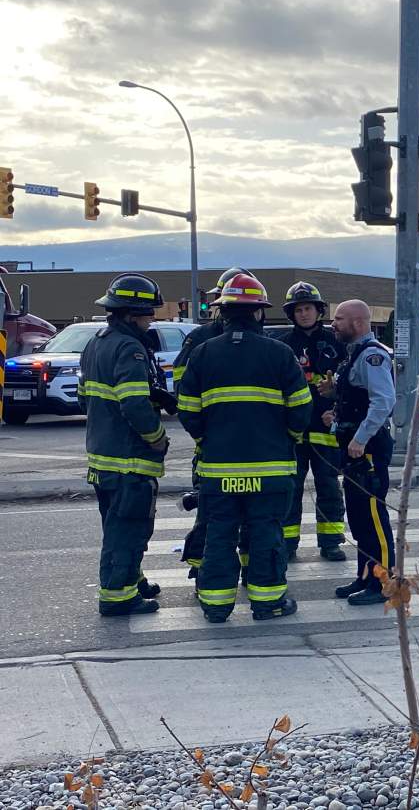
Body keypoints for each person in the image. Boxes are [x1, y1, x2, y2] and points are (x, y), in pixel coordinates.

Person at [176, 273, 312, 623]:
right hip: (270, 469)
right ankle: (268, 603)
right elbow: (301, 410)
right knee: (266, 531)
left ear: (223, 311)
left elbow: (187, 410)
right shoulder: (280, 354)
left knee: (219, 533)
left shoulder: (203, 353)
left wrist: (207, 439)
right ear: (259, 313)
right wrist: (289, 439)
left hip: (219, 470)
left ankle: (217, 606)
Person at [79, 274, 170, 617]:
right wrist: (157, 438)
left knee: (116, 524)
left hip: (103, 458)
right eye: (148, 314)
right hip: (129, 459)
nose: (151, 321)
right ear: (132, 313)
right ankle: (119, 596)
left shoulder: (97, 341)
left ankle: (131, 577)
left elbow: (85, 397)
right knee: (129, 527)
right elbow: (133, 405)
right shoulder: (130, 348)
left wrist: (156, 393)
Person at [176, 267, 254, 579]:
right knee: (210, 512)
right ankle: (199, 565)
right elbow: (183, 391)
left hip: (250, 446)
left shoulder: (259, 339)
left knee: (251, 516)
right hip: (211, 446)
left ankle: (253, 570)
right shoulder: (199, 339)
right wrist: (202, 432)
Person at [324, 299, 396, 605]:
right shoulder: (353, 354)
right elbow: (359, 398)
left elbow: (383, 401)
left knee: (373, 518)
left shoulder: (372, 356)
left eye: (338, 319)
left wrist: (360, 438)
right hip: (354, 451)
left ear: (357, 323)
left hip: (367, 450)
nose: (333, 324)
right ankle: (366, 576)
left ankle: (384, 584)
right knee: (358, 517)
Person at [275, 282, 347, 561]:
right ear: (291, 314)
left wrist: (338, 412)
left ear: (319, 311)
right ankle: (287, 543)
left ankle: (330, 542)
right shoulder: (281, 346)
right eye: (298, 310)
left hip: (326, 430)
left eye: (308, 308)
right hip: (290, 432)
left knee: (328, 486)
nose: (304, 314)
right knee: (289, 489)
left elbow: (350, 384)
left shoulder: (336, 343)